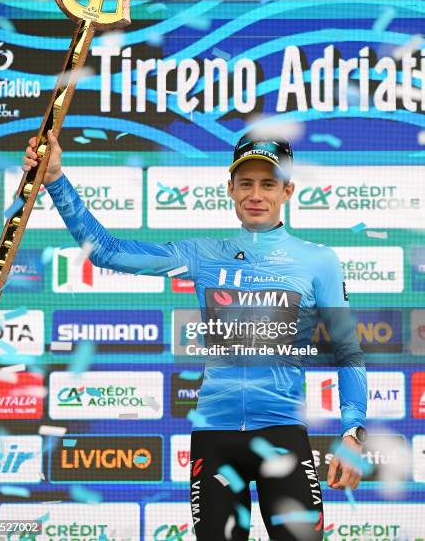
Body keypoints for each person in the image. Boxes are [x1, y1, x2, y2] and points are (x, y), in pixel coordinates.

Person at [22, 130, 367, 541]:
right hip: (215, 438)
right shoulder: (202, 254)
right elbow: (105, 251)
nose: (256, 194)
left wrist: (352, 432)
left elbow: (347, 352)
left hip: (283, 436)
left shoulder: (319, 260)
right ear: (230, 188)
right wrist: (56, 178)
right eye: (246, 183)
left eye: (268, 183)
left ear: (287, 191)